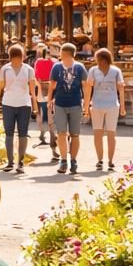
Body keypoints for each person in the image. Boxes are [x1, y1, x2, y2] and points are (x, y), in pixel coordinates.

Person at [0, 44, 34, 175]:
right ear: (10, 57)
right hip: (8, 104)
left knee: (23, 134)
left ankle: (20, 162)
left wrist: (36, 106)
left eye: (19, 57)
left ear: (23, 57)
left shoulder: (28, 69)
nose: (16, 60)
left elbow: (32, 88)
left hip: (24, 104)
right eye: (14, 57)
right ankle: (10, 162)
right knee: (9, 133)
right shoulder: (5, 69)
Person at [49, 42, 88, 175]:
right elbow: (52, 85)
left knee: (75, 134)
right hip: (60, 103)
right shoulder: (56, 67)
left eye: (61, 53)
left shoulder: (79, 68)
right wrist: (49, 100)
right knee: (61, 133)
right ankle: (64, 160)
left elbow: (85, 87)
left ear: (66, 54)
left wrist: (86, 104)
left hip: (75, 103)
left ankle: (74, 160)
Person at [85, 48, 125, 173]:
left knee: (111, 134)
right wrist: (86, 106)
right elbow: (88, 88)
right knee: (97, 134)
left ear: (104, 59)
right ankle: (100, 159)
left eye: (98, 58)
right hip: (96, 105)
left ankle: (111, 160)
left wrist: (122, 106)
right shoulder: (93, 71)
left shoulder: (116, 71)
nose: (97, 61)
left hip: (112, 105)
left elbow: (121, 89)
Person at [31, 45, 55, 147]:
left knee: (39, 112)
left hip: (39, 86)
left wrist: (38, 85)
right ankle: (51, 132)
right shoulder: (54, 62)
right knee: (49, 110)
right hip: (50, 87)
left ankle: (42, 133)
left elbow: (35, 75)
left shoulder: (38, 62)